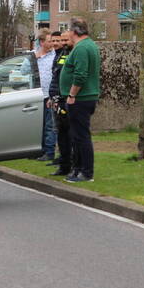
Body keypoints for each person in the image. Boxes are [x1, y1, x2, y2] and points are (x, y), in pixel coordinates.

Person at [59, 19, 101, 182]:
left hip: (80, 99)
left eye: (68, 30)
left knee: (81, 136)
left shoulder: (82, 48)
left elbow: (80, 74)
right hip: (83, 98)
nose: (67, 33)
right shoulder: (87, 45)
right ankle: (77, 169)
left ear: (74, 31)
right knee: (76, 136)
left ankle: (86, 172)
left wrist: (71, 95)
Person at [48, 31, 72, 176]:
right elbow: (56, 77)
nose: (61, 43)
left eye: (64, 40)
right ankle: (64, 164)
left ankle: (68, 164)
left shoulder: (68, 54)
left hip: (64, 98)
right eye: (58, 40)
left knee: (66, 133)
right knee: (61, 133)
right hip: (58, 98)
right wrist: (53, 97)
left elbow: (63, 77)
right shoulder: (61, 54)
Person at [33, 29, 58, 161]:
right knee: (39, 125)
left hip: (49, 95)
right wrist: (35, 58)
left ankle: (49, 152)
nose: (52, 43)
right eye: (50, 41)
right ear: (42, 42)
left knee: (50, 125)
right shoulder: (34, 56)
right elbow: (23, 71)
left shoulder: (55, 56)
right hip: (36, 96)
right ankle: (39, 150)